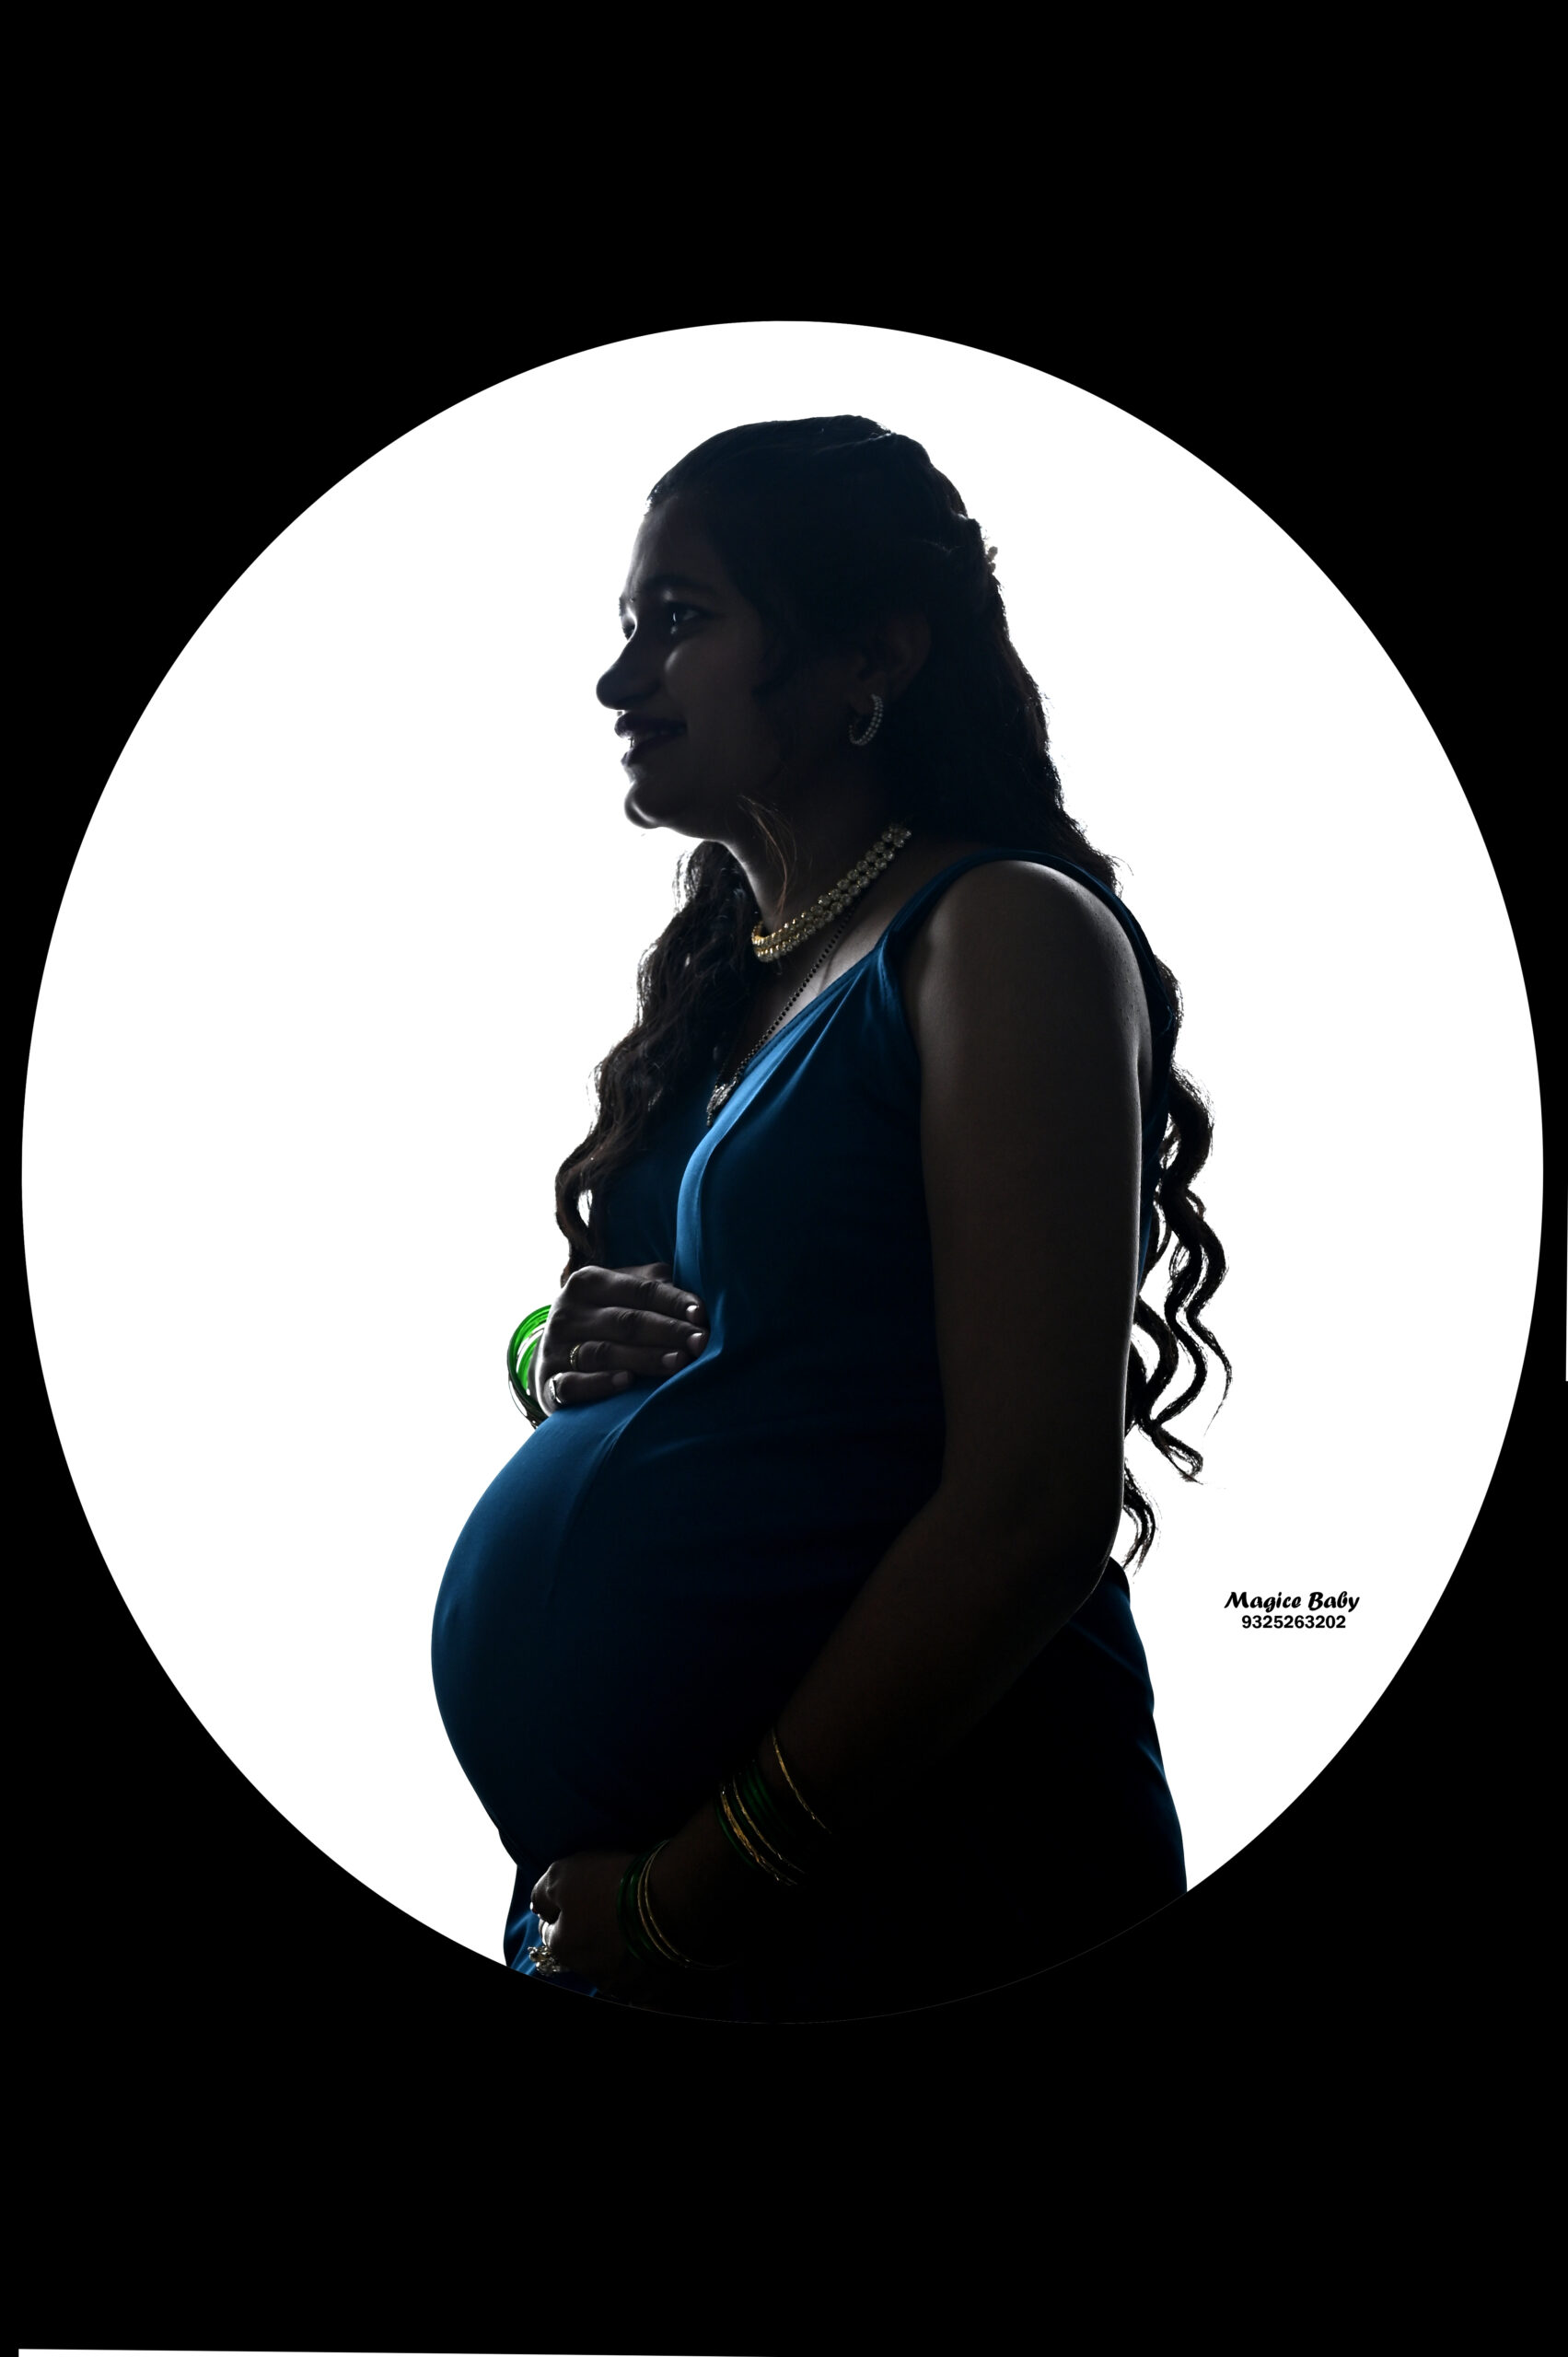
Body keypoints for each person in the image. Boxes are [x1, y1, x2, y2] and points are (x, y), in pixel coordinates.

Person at [431, 416, 1230, 2020]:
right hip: (666, 1910)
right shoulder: (729, 989)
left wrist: (695, 1890)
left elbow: (1033, 1508)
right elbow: (710, 1330)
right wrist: (543, 1348)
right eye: (626, 624)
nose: (619, 680)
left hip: (930, 1880)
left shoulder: (1001, 934)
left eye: (679, 621)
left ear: (872, 655)